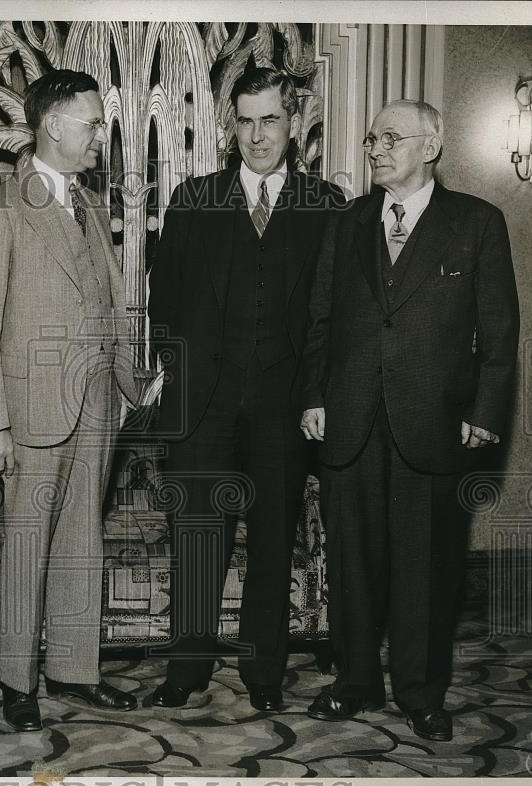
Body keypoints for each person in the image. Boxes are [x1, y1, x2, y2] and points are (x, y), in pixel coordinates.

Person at [299, 99, 519, 741]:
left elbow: (500, 333)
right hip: (349, 422)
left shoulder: (477, 223)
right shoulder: (347, 223)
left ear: (433, 145)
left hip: (434, 424)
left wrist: (485, 411)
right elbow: (320, 320)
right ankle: (354, 683)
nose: (377, 148)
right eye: (373, 139)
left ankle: (422, 695)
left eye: (393, 137)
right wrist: (313, 396)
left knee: (426, 570)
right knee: (352, 565)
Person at [147, 67, 346, 711]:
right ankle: (188, 670)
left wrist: (317, 395)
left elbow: (333, 318)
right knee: (199, 537)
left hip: (285, 410)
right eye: (246, 122)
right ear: (231, 127)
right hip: (202, 407)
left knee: (271, 541)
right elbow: (165, 300)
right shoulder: (193, 199)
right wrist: (177, 381)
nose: (258, 135)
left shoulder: (326, 207)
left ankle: (264, 675)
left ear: (292, 125)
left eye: (270, 121)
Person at [0, 69, 140, 732]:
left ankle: (73, 669)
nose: (100, 135)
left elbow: (108, 306)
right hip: (30, 411)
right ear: (53, 123)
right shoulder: (3, 204)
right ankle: (17, 682)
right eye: (92, 122)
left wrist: (127, 386)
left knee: (79, 543)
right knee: (29, 544)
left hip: (93, 405)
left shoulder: (85, 202)